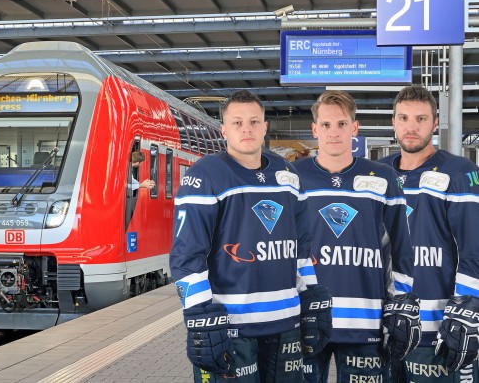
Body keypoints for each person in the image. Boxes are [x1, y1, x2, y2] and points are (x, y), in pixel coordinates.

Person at [170, 90, 332, 383]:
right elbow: (186, 255)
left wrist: (310, 294)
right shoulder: (205, 175)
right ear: (224, 130)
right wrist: (198, 314)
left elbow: (302, 250)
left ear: (265, 127)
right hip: (231, 328)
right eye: (238, 122)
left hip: (286, 326)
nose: (247, 128)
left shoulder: (288, 175)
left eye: (254, 121)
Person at [293, 90, 419, 382]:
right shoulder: (291, 176)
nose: (333, 132)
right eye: (325, 125)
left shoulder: (383, 178)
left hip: (367, 321)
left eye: (341, 124)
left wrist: (401, 305)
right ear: (314, 129)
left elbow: (402, 248)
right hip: (305, 320)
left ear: (355, 128)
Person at [379, 84, 479, 382]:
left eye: (421, 119)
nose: (412, 127)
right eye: (404, 118)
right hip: (387, 326)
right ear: (394, 122)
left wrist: (467, 310)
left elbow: (473, 250)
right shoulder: (377, 172)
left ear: (435, 123)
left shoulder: (459, 172)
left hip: (439, 330)